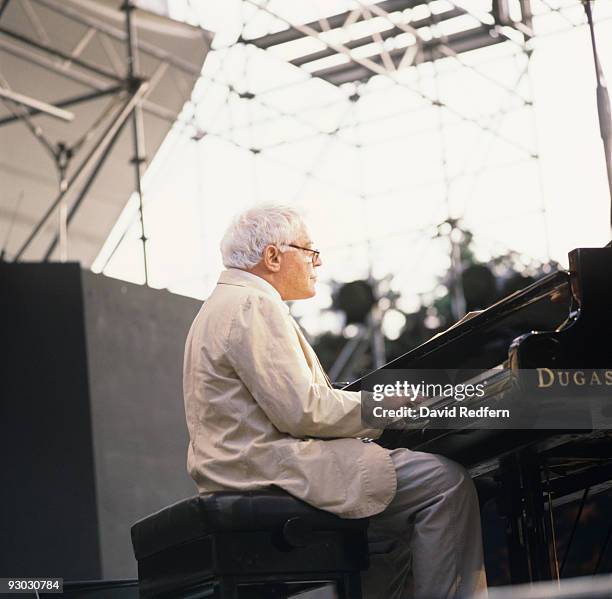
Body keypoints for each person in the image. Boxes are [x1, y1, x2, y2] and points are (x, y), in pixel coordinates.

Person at [183, 204, 487, 599]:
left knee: (384, 531)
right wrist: (385, 407)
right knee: (445, 483)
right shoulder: (253, 304)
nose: (318, 262)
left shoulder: (223, 305)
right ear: (273, 256)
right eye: (309, 251)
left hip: (240, 468)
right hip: (267, 470)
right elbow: (303, 410)